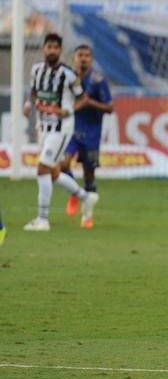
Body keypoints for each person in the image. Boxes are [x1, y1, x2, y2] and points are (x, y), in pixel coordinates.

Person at [22, 33, 96, 232]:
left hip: (61, 128)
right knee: (53, 172)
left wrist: (68, 110)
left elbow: (83, 98)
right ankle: (85, 197)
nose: (52, 50)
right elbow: (34, 91)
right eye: (49, 47)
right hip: (43, 127)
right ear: (44, 49)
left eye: (56, 47)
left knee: (42, 169)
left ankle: (43, 219)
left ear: (60, 50)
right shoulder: (36, 69)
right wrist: (28, 104)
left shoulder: (69, 74)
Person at [62, 44, 113, 229]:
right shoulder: (67, 77)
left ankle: (87, 216)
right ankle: (75, 193)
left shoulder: (98, 80)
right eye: (80, 55)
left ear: (91, 59)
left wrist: (89, 102)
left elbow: (110, 107)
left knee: (89, 174)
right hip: (70, 131)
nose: (83, 58)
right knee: (63, 164)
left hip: (91, 134)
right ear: (74, 58)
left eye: (87, 55)